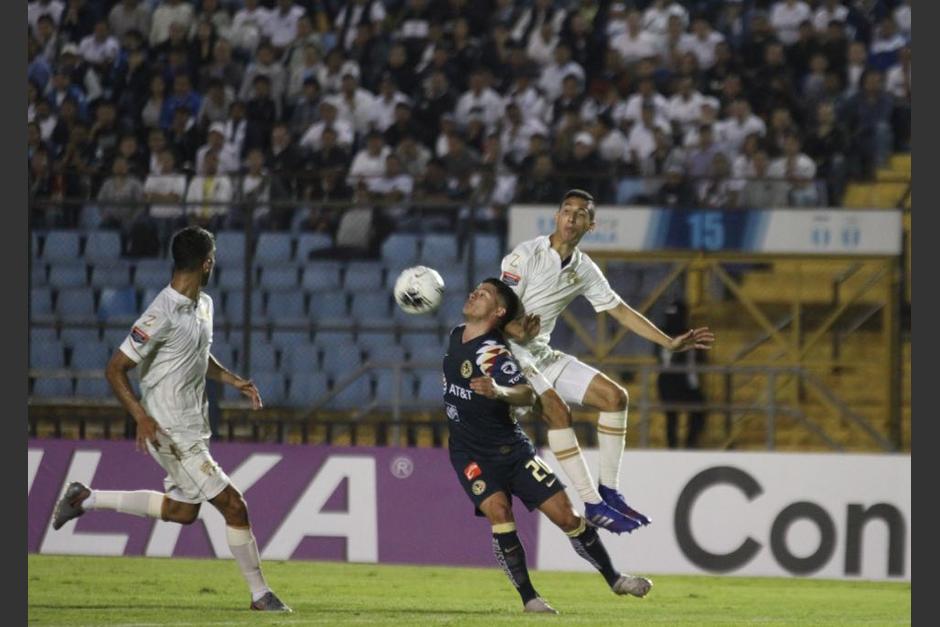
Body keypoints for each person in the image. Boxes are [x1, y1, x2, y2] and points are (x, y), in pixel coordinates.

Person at [50, 226, 291, 613]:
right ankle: (260, 595)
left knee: (183, 511)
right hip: (171, 430)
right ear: (207, 263)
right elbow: (115, 369)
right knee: (235, 506)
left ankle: (85, 497)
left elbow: (198, 354)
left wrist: (229, 378)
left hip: (194, 425)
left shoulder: (204, 305)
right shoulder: (161, 312)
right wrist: (142, 417)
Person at [499, 189, 715, 533]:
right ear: (556, 217)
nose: (571, 217)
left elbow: (619, 310)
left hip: (540, 353)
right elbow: (496, 312)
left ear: (591, 225)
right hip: (508, 354)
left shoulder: (584, 268)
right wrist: (517, 332)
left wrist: (668, 342)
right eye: (566, 210)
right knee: (558, 411)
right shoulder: (524, 256)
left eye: (580, 213)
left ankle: (609, 492)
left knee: (616, 398)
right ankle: (593, 504)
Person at [444, 278, 652, 614]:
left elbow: (526, 394)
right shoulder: (457, 335)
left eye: (484, 294)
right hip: (470, 453)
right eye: (476, 289)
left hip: (513, 450)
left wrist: (498, 390)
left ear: (497, 311)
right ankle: (530, 599)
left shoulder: (494, 355)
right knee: (499, 511)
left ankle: (615, 579)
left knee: (568, 518)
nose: (474, 293)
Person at [655, 300, 707, 448]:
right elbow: (661, 358)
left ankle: (689, 444)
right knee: (672, 417)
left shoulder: (689, 335)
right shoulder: (662, 334)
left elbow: (699, 358)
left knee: (698, 409)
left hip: (684, 383)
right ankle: (676, 447)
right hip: (669, 382)